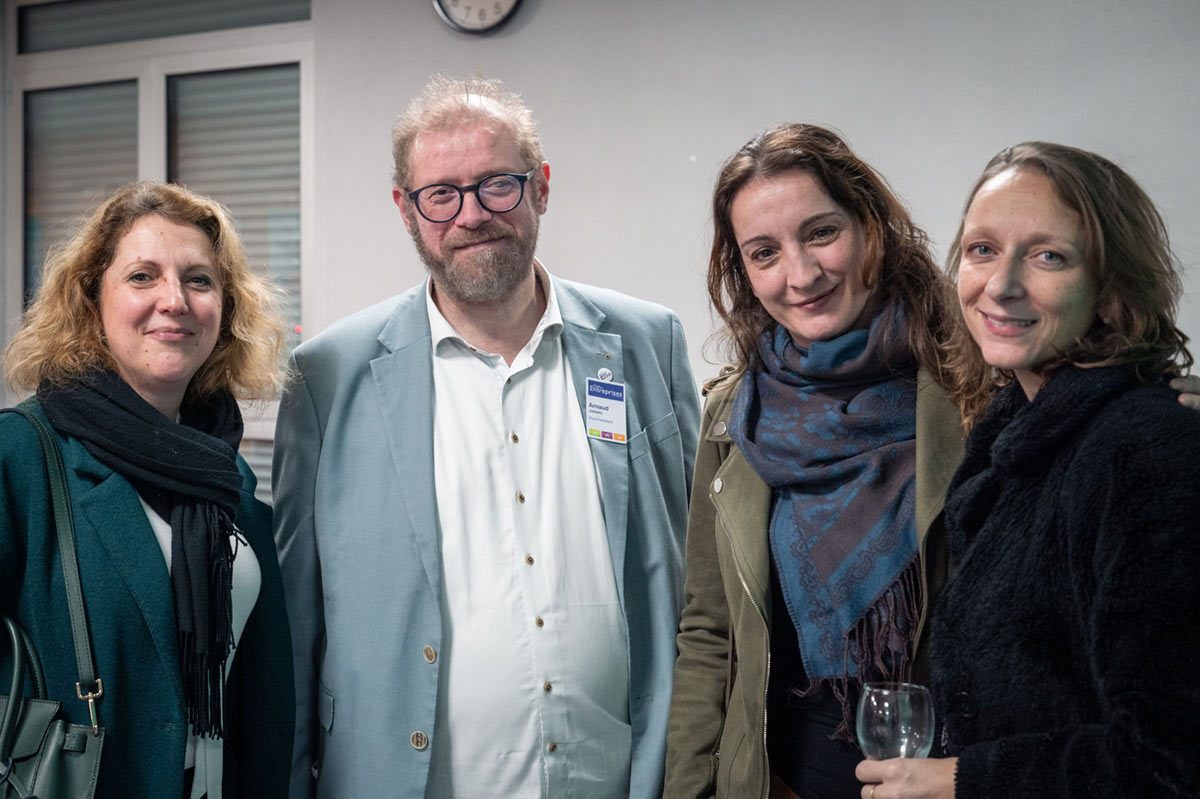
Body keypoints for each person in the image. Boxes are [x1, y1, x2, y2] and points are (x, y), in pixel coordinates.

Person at [272, 75, 699, 799]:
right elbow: (295, 622)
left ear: (542, 187)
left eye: (498, 185)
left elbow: (695, 571)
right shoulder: (327, 377)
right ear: (406, 210)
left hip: (619, 778)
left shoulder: (645, 343)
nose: (472, 214)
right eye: (442, 194)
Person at [856, 142, 1200, 798]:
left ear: (1111, 292)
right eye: (983, 249)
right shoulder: (1015, 432)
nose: (1001, 284)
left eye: (1049, 256)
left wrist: (959, 779)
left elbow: (1170, 759)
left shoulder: (1145, 449)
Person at [663, 123, 969, 799]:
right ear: (743, 271)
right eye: (764, 252)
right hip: (781, 781)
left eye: (821, 233)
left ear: (870, 227)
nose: (800, 275)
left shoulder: (970, 385)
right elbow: (710, 632)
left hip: (943, 779)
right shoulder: (734, 417)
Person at [1, 181, 294, 799]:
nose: (175, 300)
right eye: (142, 277)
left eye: (199, 280)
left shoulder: (224, 472)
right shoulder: (20, 454)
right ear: (91, 301)